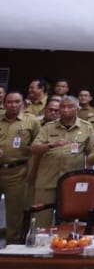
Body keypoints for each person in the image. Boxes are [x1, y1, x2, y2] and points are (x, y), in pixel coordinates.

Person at [29, 96, 94, 228]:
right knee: (41, 219)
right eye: (63, 107)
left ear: (77, 109)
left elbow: (92, 155)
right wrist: (51, 145)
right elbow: (34, 149)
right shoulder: (48, 128)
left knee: (71, 220)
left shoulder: (86, 127)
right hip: (47, 180)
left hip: (72, 182)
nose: (65, 110)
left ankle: (68, 246)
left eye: (70, 106)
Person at [0, 91, 39, 243]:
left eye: (17, 102)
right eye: (9, 102)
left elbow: (37, 148)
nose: (13, 105)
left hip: (18, 171)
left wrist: (32, 171)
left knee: (15, 213)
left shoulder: (32, 121)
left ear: (23, 104)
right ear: (4, 104)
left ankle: (12, 245)